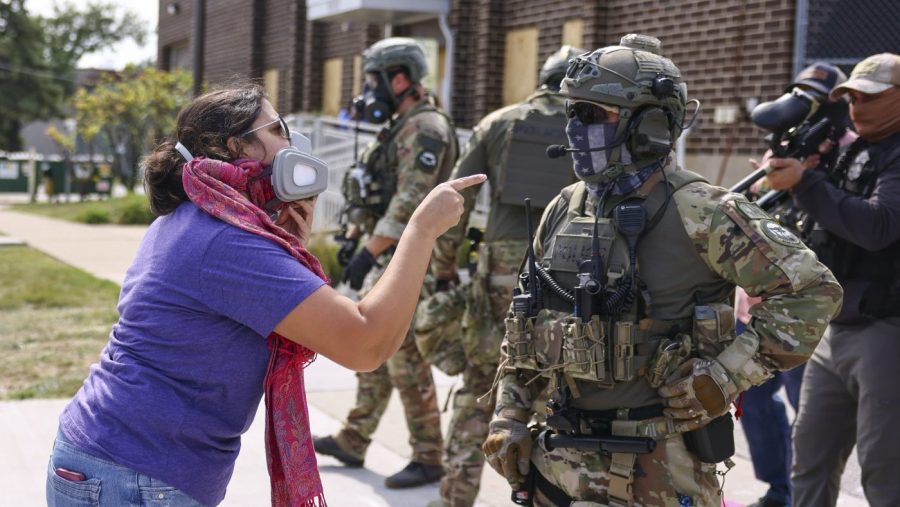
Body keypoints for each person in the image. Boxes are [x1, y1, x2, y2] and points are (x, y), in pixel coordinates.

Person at [45, 82, 484, 506]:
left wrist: (289, 248)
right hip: (133, 475)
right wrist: (421, 230)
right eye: (277, 129)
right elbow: (366, 343)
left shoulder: (199, 217)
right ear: (237, 146)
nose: (292, 142)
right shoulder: (226, 240)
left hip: (118, 461)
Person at [481, 34, 842, 506]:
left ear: (649, 125)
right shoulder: (564, 207)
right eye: (572, 112)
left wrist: (724, 377)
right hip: (556, 464)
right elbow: (524, 321)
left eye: (592, 114)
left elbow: (812, 292)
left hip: (656, 468)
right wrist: (509, 414)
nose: (574, 128)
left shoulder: (703, 211)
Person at [422, 45, 585, 507]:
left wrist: (444, 268)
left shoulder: (499, 122)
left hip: (500, 269)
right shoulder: (597, 127)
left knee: (481, 382)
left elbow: (455, 197)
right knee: (565, 385)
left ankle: (455, 497)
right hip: (573, 267)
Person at [313, 37, 459, 488]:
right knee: (374, 347)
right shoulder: (401, 125)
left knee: (405, 355)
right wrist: (356, 238)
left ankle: (429, 455)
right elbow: (378, 191)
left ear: (399, 79)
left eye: (374, 80)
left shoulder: (426, 127)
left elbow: (411, 199)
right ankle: (355, 437)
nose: (368, 90)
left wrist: (368, 252)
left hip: (415, 259)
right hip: (390, 253)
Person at [766, 52, 900, 507]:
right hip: (836, 327)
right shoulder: (854, 149)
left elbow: (878, 225)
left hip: (887, 329)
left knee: (885, 470)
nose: (858, 107)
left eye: (870, 97)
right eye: (852, 98)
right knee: (810, 458)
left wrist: (805, 183)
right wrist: (797, 172)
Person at [737, 61, 853, 507]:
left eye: (815, 100)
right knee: (756, 402)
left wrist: (809, 180)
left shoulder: (850, 154)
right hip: (759, 303)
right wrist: (759, 194)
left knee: (809, 413)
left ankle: (804, 492)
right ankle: (778, 489)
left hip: (810, 311)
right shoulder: (785, 150)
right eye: (800, 97)